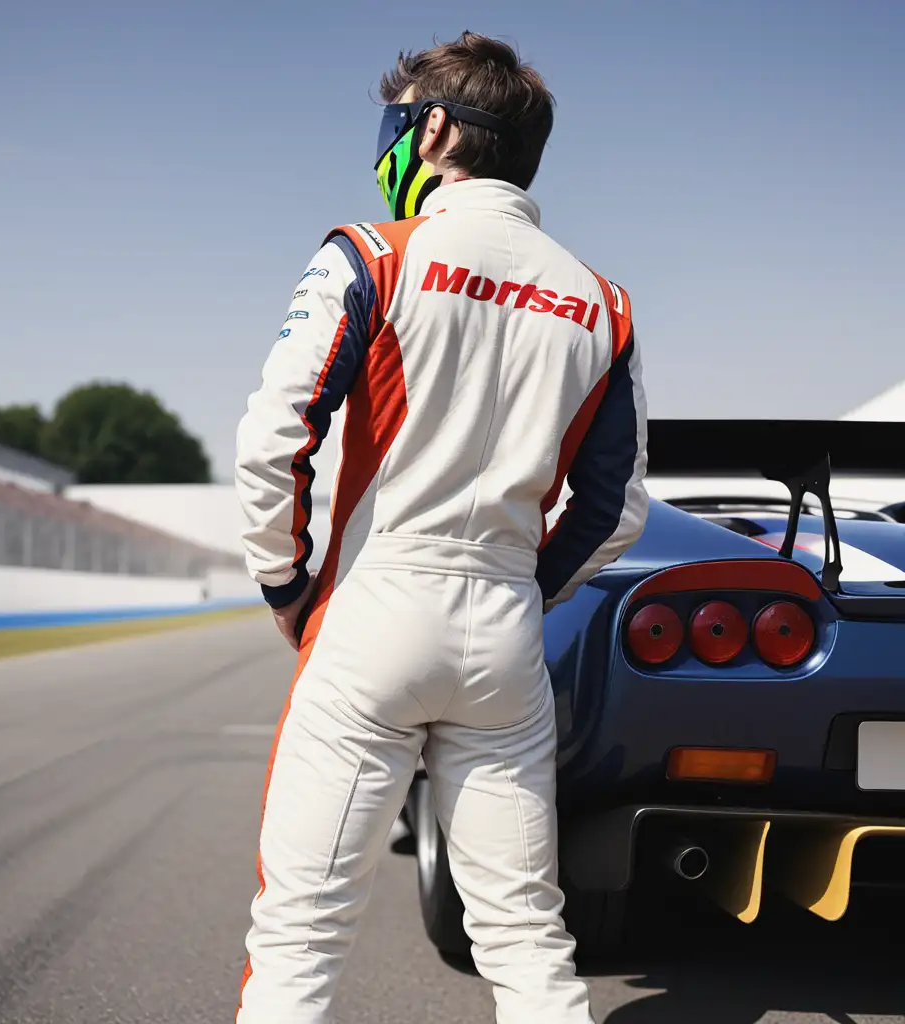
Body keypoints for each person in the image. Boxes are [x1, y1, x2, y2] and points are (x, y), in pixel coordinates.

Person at [233, 30, 649, 1024]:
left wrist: (291, 589)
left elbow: (270, 441)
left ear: (429, 130)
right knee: (522, 931)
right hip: (503, 624)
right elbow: (616, 508)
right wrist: (520, 588)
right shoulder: (603, 303)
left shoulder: (371, 252)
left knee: (300, 932)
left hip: (373, 608)